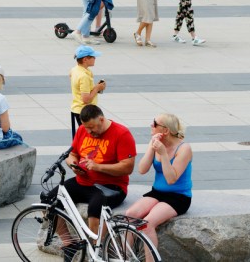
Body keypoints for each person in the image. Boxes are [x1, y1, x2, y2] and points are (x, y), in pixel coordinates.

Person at [60, 104, 136, 234]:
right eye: (86, 127)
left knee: (95, 210)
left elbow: (127, 167)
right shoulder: (82, 130)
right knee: (50, 201)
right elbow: (72, 154)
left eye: (91, 127)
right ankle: (68, 244)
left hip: (111, 186)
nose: (89, 132)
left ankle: (97, 250)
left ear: (101, 119)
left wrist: (98, 167)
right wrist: (73, 165)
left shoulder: (121, 133)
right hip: (83, 182)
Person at [125, 113, 192, 249]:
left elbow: (171, 179)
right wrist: (151, 147)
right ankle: (124, 256)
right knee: (130, 215)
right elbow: (142, 169)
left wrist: (163, 154)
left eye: (155, 124)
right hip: (157, 192)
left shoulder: (184, 149)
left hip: (179, 197)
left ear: (166, 130)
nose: (151, 125)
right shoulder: (156, 142)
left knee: (147, 223)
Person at [69, 45, 106, 139]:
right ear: (85, 59)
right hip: (85, 111)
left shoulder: (75, 69)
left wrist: (94, 88)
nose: (95, 58)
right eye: (93, 57)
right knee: (89, 137)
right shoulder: (84, 76)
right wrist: (97, 89)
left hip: (76, 108)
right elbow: (86, 99)